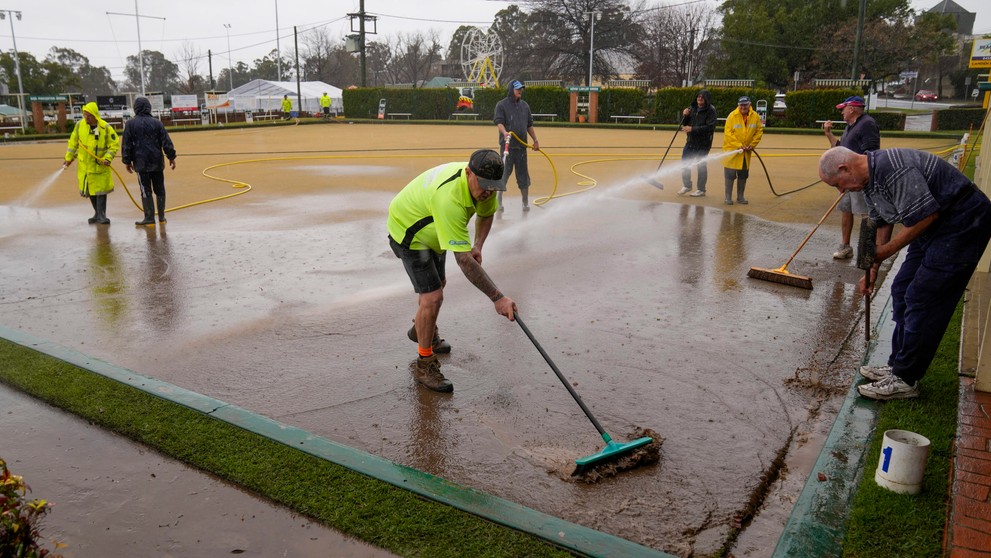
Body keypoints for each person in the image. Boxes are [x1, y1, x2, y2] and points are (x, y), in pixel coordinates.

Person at [818, 146, 991, 400]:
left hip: (962, 221)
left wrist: (886, 251)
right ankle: (897, 365)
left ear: (844, 168)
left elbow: (925, 215)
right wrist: (873, 269)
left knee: (924, 296)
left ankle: (906, 379)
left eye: (838, 184)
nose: (841, 191)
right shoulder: (869, 181)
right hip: (936, 223)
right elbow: (882, 222)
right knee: (901, 288)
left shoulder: (893, 168)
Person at [387, 149, 518, 392]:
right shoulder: (450, 199)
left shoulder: (485, 185)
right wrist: (497, 298)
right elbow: (465, 262)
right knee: (433, 296)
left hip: (435, 229)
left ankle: (421, 329)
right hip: (410, 231)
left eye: (494, 186)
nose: (488, 192)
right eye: (484, 185)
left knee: (439, 283)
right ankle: (424, 363)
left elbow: (485, 214)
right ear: (468, 173)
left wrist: (477, 244)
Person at [823, 95, 880, 259]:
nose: (841, 113)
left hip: (860, 179)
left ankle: (867, 250)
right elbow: (839, 148)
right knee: (846, 209)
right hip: (847, 178)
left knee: (865, 213)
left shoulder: (867, 124)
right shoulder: (850, 126)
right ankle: (845, 246)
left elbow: (870, 154)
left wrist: (857, 174)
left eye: (843, 109)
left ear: (852, 109)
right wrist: (828, 133)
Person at [121, 97, 177, 227]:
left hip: (141, 163)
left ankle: (149, 218)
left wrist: (127, 161)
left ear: (135, 108)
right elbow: (166, 142)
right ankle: (162, 217)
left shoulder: (130, 124)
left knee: (145, 190)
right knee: (160, 189)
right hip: (157, 162)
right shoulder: (157, 123)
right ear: (149, 107)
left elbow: (126, 145)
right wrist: (171, 157)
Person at [62, 102, 120, 225]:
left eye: (89, 115)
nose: (86, 118)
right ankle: (97, 214)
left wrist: (107, 158)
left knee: (100, 192)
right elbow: (73, 143)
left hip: (100, 166)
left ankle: (102, 215)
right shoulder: (80, 126)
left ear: (95, 115)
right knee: (90, 191)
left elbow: (113, 145)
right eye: (85, 115)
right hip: (85, 166)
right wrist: (68, 158)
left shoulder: (105, 128)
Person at [493, 80, 540, 212]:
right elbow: (498, 121)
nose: (520, 91)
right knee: (503, 174)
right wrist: (504, 132)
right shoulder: (501, 105)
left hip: (521, 148)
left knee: (523, 175)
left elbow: (529, 125)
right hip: (507, 148)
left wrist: (535, 139)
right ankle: (499, 201)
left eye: (521, 89)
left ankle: (525, 202)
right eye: (517, 88)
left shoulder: (525, 106)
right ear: (511, 90)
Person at [676, 89, 718, 198]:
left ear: (707, 99)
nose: (700, 98)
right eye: (698, 96)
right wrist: (684, 115)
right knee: (685, 163)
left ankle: (701, 189)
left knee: (701, 165)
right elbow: (685, 123)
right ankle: (687, 185)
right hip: (690, 142)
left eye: (702, 97)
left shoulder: (711, 110)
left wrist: (692, 129)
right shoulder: (692, 108)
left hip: (703, 143)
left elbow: (710, 127)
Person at [722, 96, 763, 205]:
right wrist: (739, 145)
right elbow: (728, 134)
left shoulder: (755, 117)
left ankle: (740, 197)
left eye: (745, 104)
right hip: (732, 152)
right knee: (730, 175)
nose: (743, 107)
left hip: (746, 152)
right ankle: (728, 197)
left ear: (749, 105)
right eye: (741, 105)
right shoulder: (732, 116)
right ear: (738, 105)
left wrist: (752, 145)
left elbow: (759, 132)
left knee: (743, 175)